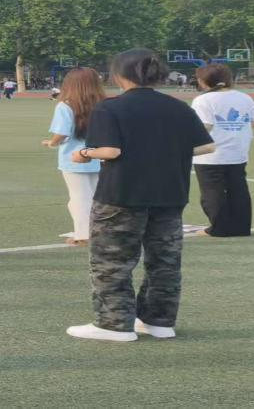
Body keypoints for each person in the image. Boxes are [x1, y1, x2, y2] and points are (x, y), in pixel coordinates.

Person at [66, 49, 215, 342]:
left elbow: (110, 151)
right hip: (169, 194)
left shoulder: (110, 108)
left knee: (112, 262)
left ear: (118, 75)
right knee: (165, 262)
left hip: (121, 195)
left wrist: (83, 153)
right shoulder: (178, 107)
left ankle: (114, 324)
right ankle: (159, 322)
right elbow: (207, 146)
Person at [190, 64, 254, 237]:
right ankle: (241, 227)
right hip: (238, 151)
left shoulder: (203, 100)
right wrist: (236, 128)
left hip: (210, 154)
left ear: (203, 81)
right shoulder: (243, 97)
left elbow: (204, 126)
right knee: (238, 189)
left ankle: (219, 228)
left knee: (212, 192)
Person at [43, 68, 105, 247]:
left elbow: (62, 133)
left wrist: (52, 143)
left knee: (79, 198)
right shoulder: (103, 104)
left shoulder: (65, 106)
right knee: (96, 197)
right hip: (100, 156)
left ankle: (84, 235)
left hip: (74, 158)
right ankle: (99, 232)